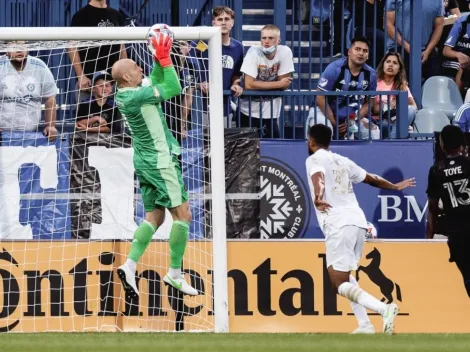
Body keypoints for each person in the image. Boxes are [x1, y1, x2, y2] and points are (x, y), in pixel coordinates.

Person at [305, 124, 415, 334]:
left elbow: (317, 177)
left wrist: (318, 197)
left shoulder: (314, 159)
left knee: (338, 283)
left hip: (339, 223)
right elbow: (370, 178)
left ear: (311, 142)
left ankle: (384, 309)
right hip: (357, 221)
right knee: (346, 275)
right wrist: (394, 186)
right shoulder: (343, 161)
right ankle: (365, 325)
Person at [111, 29, 197, 297]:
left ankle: (129, 264)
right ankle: (174, 274)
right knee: (183, 215)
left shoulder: (131, 92)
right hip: (160, 161)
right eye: (136, 67)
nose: (141, 69)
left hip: (145, 161)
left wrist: (160, 60)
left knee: (154, 217)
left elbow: (157, 79)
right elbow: (173, 87)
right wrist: (165, 57)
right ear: (126, 77)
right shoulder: (134, 96)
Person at [426, 125, 470, 297]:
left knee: (467, 274)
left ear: (442, 144)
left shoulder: (436, 170)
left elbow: (433, 209)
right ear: (462, 143)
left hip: (456, 231)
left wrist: (428, 240)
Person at [310, 35, 378, 140]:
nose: (361, 53)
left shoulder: (371, 74)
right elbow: (320, 97)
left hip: (352, 117)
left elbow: (369, 102)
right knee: (323, 132)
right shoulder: (334, 69)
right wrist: (334, 122)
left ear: (368, 55)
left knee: (373, 133)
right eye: (357, 49)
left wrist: (353, 120)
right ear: (349, 52)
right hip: (324, 113)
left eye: (365, 51)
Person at [239, 24, 294, 138]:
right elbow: (249, 84)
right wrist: (278, 84)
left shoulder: (285, 52)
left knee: (273, 147)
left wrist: (259, 84)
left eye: (270, 38)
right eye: (264, 38)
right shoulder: (253, 51)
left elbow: (285, 85)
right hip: (248, 110)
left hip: (271, 112)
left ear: (278, 40)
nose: (266, 42)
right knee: (248, 150)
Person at [68, 0, 127, 102]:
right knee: (87, 117)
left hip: (114, 82)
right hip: (89, 84)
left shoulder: (117, 15)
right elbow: (72, 47)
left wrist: (125, 71)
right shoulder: (80, 16)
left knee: (116, 117)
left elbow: (121, 46)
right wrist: (81, 76)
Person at [0, 41, 57, 140]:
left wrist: (50, 126)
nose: (19, 50)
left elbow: (50, 98)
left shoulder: (40, 66)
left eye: (23, 45)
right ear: (6, 49)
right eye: (14, 46)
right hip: (2, 136)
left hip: (29, 137)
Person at [197, 6, 244, 127]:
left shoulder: (238, 47)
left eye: (227, 19)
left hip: (225, 105)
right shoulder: (202, 44)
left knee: (225, 142)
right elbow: (191, 67)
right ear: (213, 23)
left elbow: (236, 74)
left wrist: (235, 84)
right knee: (207, 142)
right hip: (201, 104)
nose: (223, 22)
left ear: (232, 23)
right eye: (220, 19)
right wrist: (200, 83)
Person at [385, 0, 444, 80]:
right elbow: (387, 24)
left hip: (426, 49)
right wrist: (407, 47)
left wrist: (428, 50)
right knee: (401, 84)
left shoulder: (438, 1)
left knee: (435, 81)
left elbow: (439, 25)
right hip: (399, 47)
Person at [373, 52, 417, 138]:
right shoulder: (374, 83)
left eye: (395, 63)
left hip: (396, 118)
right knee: (387, 126)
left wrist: (398, 107)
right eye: (388, 61)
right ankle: (394, 139)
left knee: (410, 110)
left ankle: (393, 138)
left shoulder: (402, 86)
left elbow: (413, 107)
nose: (391, 65)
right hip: (380, 120)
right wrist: (389, 106)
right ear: (383, 65)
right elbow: (374, 109)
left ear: (399, 69)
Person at [442, 13, 470, 92]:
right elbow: (446, 51)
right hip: (457, 61)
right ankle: (458, 100)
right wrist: (458, 55)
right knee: (462, 66)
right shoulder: (461, 22)